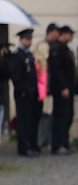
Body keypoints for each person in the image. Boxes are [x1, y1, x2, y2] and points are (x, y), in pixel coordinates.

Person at [10, 28, 39, 156]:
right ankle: (23, 147)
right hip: (22, 93)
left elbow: (33, 75)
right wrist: (22, 89)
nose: (29, 41)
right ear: (21, 40)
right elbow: (16, 76)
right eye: (27, 39)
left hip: (31, 92)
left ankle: (30, 144)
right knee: (23, 120)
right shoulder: (17, 55)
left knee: (30, 120)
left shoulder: (29, 55)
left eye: (30, 39)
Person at [48, 25, 76, 155]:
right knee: (60, 117)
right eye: (70, 34)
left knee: (68, 116)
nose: (72, 37)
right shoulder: (57, 49)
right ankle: (57, 144)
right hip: (61, 91)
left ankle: (64, 142)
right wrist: (63, 87)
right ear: (64, 34)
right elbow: (56, 71)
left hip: (68, 89)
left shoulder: (65, 49)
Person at [33, 22, 59, 150]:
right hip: (43, 87)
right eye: (56, 32)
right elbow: (42, 69)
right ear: (50, 32)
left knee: (49, 114)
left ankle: (47, 141)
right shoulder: (42, 46)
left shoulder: (53, 45)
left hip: (50, 86)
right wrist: (45, 86)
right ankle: (41, 141)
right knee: (44, 115)